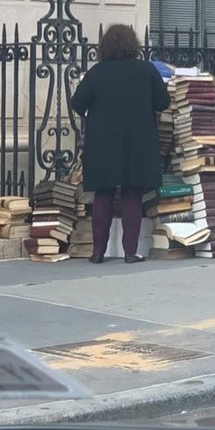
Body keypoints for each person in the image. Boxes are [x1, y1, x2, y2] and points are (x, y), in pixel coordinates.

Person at [70, 24, 170, 264]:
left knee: (102, 195)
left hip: (102, 142)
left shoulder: (97, 72)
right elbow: (163, 102)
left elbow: (77, 104)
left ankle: (97, 252)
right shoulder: (145, 70)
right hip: (137, 142)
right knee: (132, 194)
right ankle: (129, 252)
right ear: (133, 45)